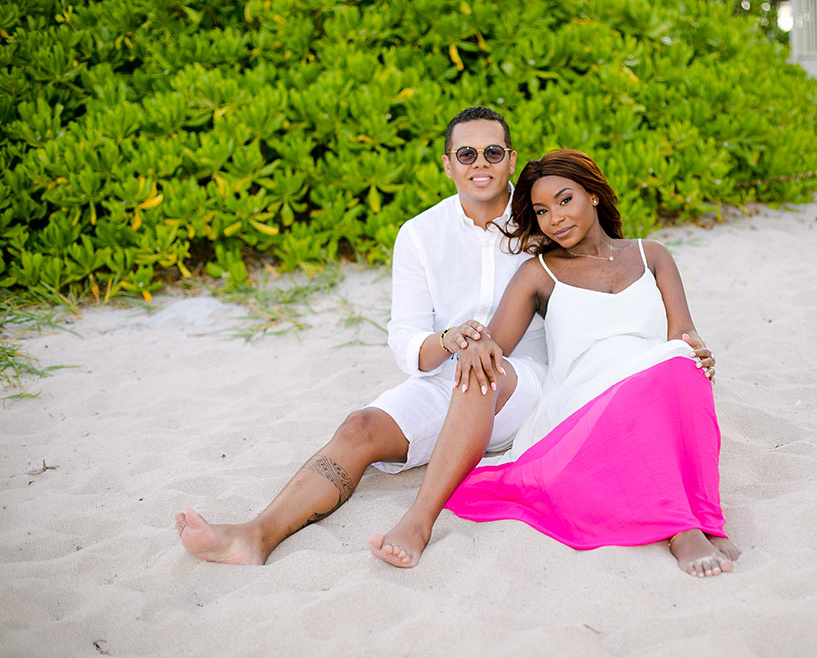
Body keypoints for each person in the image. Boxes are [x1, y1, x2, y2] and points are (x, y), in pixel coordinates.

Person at [174, 106, 549, 565]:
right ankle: (256, 535)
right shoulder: (419, 234)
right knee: (360, 427)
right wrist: (449, 339)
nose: (480, 164)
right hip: (445, 378)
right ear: (447, 164)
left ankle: (418, 521)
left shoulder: (543, 218)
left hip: (524, 384)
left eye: (492, 152)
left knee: (479, 371)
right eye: (466, 153)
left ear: (511, 160)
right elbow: (406, 336)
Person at [374, 149, 736, 577]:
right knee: (663, 372)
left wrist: (701, 353)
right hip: (587, 402)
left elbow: (684, 335)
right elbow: (494, 347)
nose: (555, 219)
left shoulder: (651, 254)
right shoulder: (539, 272)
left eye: (565, 201)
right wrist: (465, 341)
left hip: (654, 384)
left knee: (683, 362)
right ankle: (682, 529)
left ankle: (702, 513)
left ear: (594, 196)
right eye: (542, 211)